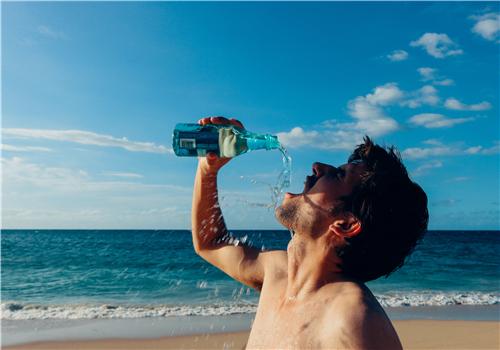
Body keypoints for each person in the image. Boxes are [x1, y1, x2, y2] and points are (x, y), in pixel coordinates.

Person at [191, 116, 428, 349]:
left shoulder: (353, 319)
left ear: (346, 224)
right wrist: (208, 169)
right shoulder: (277, 272)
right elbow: (211, 243)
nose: (318, 167)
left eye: (338, 174)